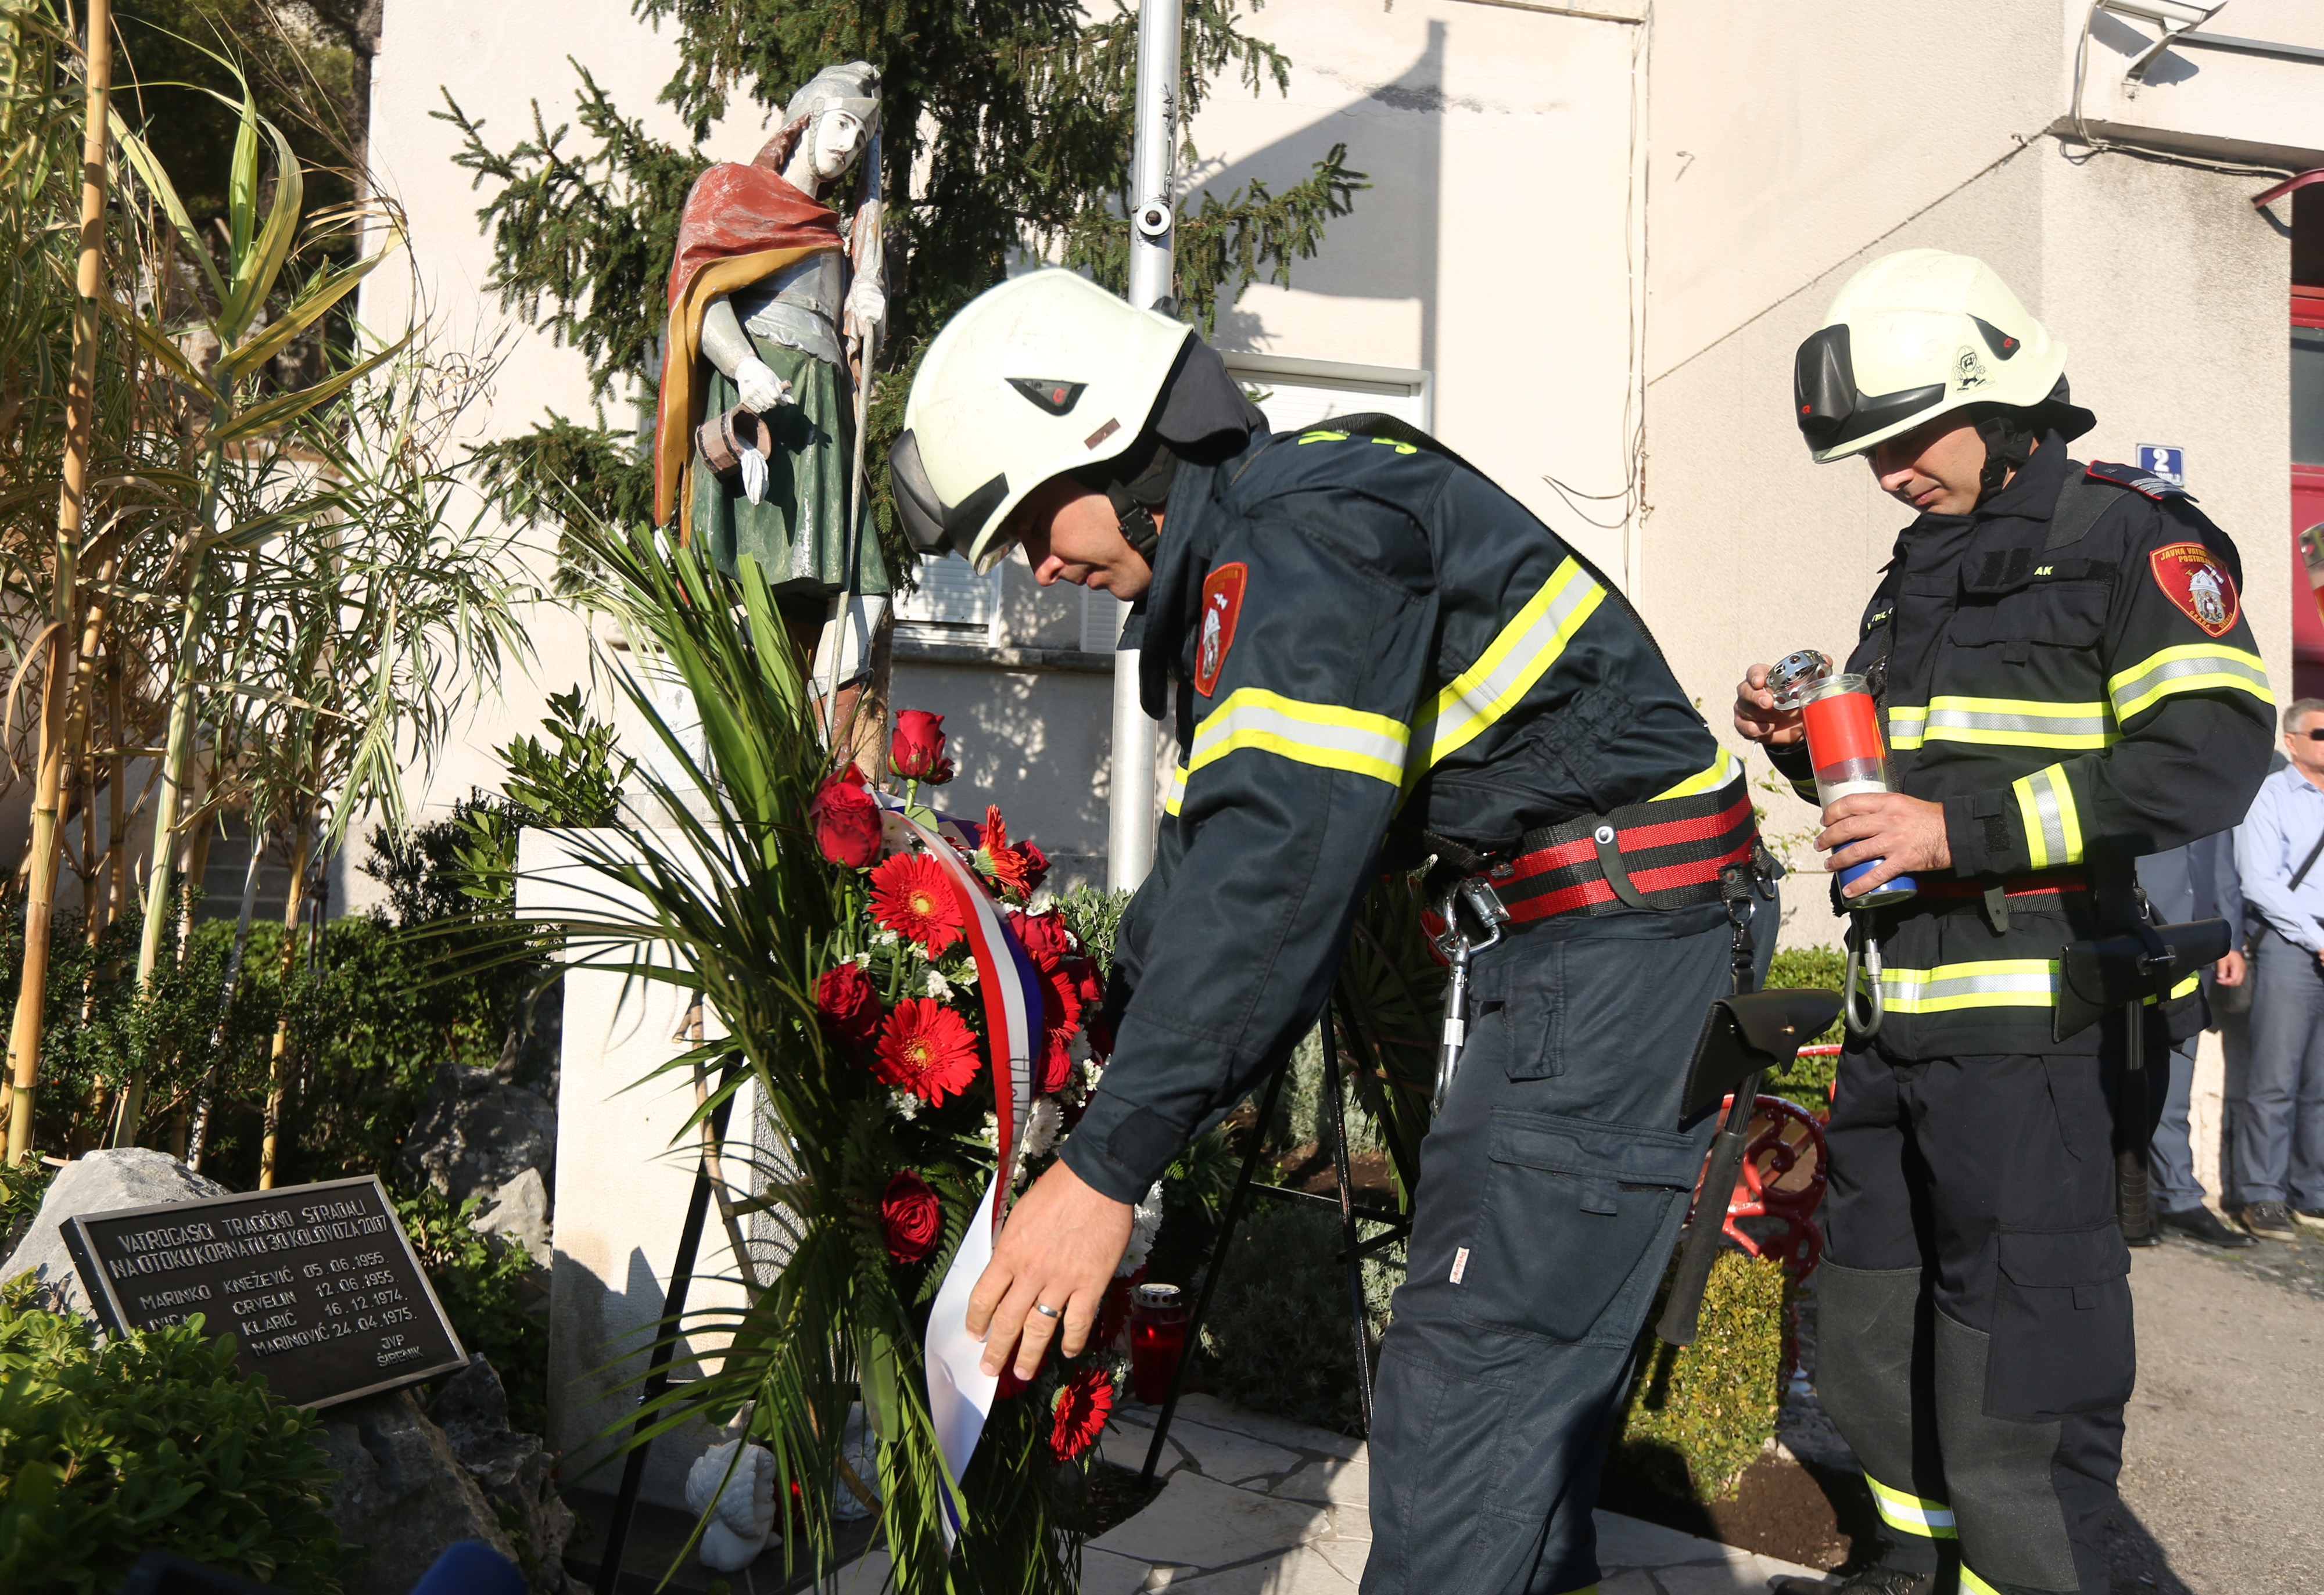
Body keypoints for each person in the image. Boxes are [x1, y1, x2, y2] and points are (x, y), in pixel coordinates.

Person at [890, 268, 1776, 1595]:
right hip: (1569, 951)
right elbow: (1198, 876)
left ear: (1112, 436)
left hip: (1612, 950)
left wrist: (1107, 1170)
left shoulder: (1300, 540)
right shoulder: (1246, 581)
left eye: (1026, 518)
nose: (1036, 565)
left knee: (1468, 1402)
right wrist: (1091, 1083)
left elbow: (1275, 879)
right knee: (1475, 1408)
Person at [1734, 250, 2272, 1595]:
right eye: (1865, 454)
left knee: (2019, 1377)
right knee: (1865, 1337)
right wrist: (1803, 748)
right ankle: (1915, 1570)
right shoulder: (1911, 567)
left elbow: (2209, 753)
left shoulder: (2128, 537)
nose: (1887, 473)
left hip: (2032, 1035)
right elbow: (1902, 786)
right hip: (1892, 1032)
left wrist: (1954, 835)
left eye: (1906, 439)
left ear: (2004, 398)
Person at [653, 61, 891, 666]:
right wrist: (742, 365)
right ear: (805, 121)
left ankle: (828, 727)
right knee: (734, 577)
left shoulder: (837, 240)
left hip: (821, 408)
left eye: (860, 138)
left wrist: (867, 311)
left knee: (857, 580)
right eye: (841, 125)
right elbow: (700, 296)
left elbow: (857, 350)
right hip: (755, 400)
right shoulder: (732, 193)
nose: (846, 145)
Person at [2230, 698, 2324, 1241]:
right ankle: (2262, 1195)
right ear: (2291, 742)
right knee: (2274, 1079)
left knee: (2321, 1082)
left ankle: (2313, 1191)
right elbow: (2259, 880)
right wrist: (2317, 938)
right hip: (2293, 942)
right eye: (2320, 734)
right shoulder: (2270, 794)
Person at [2135, 841, 2252, 1248]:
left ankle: (2178, 1199)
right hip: (2137, 940)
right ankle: (2125, 1204)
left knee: (2177, 1086)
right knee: (2120, 1077)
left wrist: (2230, 939)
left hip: (2193, 943)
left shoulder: (2208, 782)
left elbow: (2221, 866)